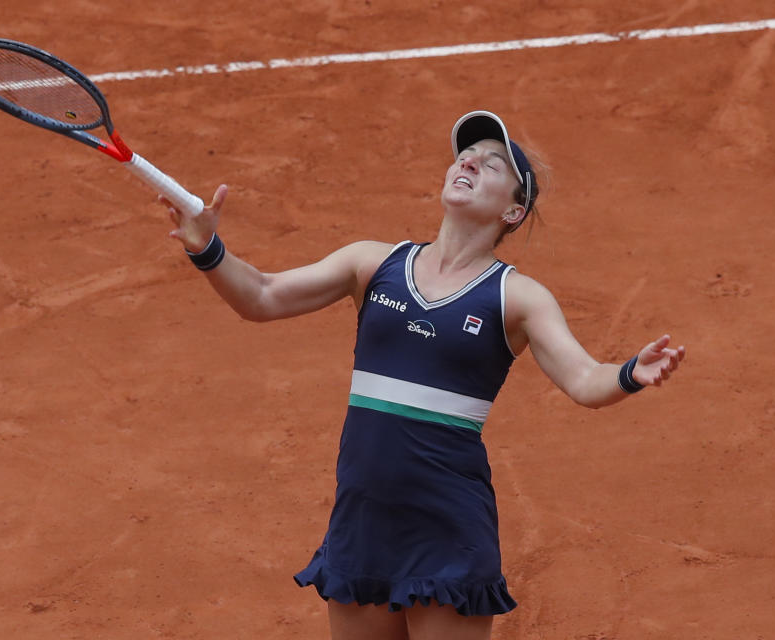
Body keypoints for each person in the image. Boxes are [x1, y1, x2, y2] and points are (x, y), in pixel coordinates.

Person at [159, 110, 686, 640]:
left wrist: (628, 375)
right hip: (362, 520)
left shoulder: (518, 298)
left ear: (514, 210)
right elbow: (262, 297)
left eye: (492, 164)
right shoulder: (371, 263)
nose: (470, 162)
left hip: (446, 527)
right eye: (465, 155)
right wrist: (206, 248)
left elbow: (583, 380)